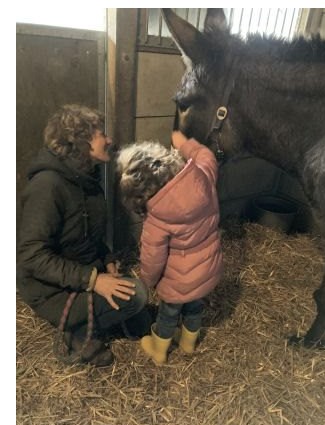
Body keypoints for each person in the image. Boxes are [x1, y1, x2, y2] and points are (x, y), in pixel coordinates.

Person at [16, 104, 150, 367]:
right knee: (139, 296)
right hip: (49, 289)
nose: (109, 139)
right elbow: (31, 255)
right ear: (79, 141)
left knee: (143, 319)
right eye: (101, 133)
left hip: (78, 271)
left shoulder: (85, 177)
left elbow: (83, 233)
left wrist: (106, 258)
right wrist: (93, 280)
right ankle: (73, 328)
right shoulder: (48, 186)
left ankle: (89, 318)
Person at [117, 131, 223, 365]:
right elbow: (207, 156)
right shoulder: (203, 178)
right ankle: (187, 344)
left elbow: (152, 259)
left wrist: (148, 281)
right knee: (195, 307)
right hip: (207, 270)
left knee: (168, 314)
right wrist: (186, 144)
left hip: (177, 281)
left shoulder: (157, 218)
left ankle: (159, 351)